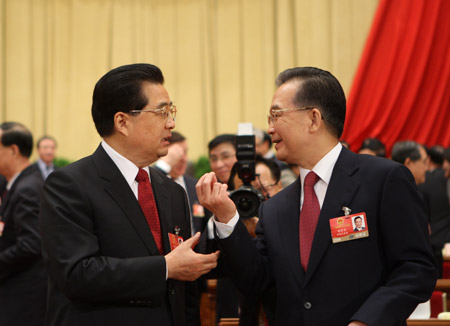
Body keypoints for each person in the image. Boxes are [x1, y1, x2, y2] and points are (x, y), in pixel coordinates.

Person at [197, 66, 437, 326]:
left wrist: (365, 322)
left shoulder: (383, 179)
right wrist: (226, 216)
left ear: (313, 119)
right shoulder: (275, 208)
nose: (270, 128)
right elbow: (257, 280)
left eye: (276, 115)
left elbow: (415, 268)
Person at [39, 63, 219, 326]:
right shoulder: (69, 184)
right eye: (162, 112)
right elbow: (77, 274)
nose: (171, 123)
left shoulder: (171, 189)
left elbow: (185, 286)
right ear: (122, 121)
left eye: (171, 111)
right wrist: (165, 268)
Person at [0, 122, 47, 326]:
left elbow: (30, 244)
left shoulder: (27, 188)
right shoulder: (21, 182)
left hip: (24, 293)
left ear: (13, 150)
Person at [155, 131, 211, 234]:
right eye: (177, 154)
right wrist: (165, 164)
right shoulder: (152, 182)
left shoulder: (195, 185)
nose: (183, 159)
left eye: (185, 153)